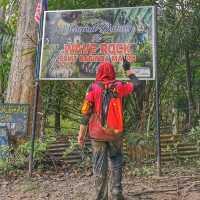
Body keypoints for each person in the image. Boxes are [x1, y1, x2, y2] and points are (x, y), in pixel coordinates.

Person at [78, 58, 141, 200]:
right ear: (112, 72)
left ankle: (101, 197)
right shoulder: (119, 86)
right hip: (115, 133)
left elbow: (85, 113)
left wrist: (81, 135)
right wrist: (128, 70)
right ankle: (117, 192)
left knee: (99, 165)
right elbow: (138, 84)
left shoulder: (92, 88)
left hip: (97, 134)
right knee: (116, 159)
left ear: (98, 73)